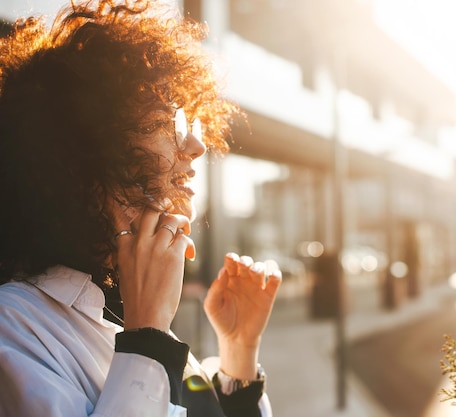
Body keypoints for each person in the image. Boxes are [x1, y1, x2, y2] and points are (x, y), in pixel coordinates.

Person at [0, 0, 282, 416]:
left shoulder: (120, 301)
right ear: (87, 150)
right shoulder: (14, 329)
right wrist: (147, 337)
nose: (196, 146)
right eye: (166, 123)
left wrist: (238, 353)